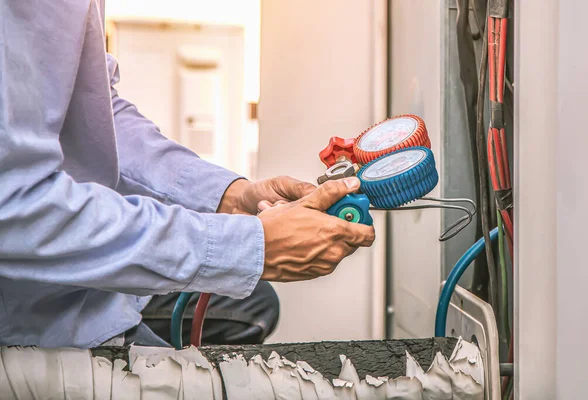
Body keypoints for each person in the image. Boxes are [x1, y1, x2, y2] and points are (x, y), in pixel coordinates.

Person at [0, 0, 375, 349]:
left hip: (60, 275)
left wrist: (228, 194)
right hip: (28, 311)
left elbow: (93, 109)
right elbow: (15, 210)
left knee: (255, 304)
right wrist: (242, 247)